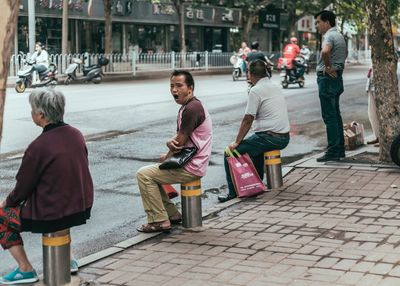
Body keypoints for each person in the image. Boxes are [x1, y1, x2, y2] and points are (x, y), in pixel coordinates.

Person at [0, 89, 94, 284]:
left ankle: (25, 269)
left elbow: (22, 187)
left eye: (32, 110)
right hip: (80, 206)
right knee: (60, 198)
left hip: (53, 212)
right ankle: (68, 260)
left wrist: (6, 203)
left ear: (41, 114)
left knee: (1, 216)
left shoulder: (38, 146)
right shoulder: (76, 134)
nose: (31, 113)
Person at [136, 70, 212, 233]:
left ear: (190, 88)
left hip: (191, 167)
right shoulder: (191, 106)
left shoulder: (192, 109)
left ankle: (159, 221)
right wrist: (167, 153)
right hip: (194, 162)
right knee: (154, 172)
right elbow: (183, 136)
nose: (174, 90)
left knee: (144, 174)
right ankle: (173, 215)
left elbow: (179, 142)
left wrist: (168, 149)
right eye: (172, 86)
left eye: (179, 86)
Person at [218, 60, 290, 203]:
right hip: (284, 137)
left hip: (270, 137)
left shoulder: (256, 90)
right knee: (255, 147)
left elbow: (248, 119)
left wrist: (236, 142)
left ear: (250, 73)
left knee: (230, 153)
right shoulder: (274, 86)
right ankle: (256, 184)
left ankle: (232, 192)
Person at [314, 10, 347, 162]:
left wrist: (327, 67)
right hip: (336, 78)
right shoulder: (339, 36)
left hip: (327, 79)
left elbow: (325, 52)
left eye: (318, 22)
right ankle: (339, 149)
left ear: (327, 22)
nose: (317, 26)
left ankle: (333, 151)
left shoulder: (329, 35)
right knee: (335, 115)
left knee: (329, 116)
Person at [366, 67, 379, 145]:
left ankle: (383, 139)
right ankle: (378, 137)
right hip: (371, 87)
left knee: (380, 115)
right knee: (372, 114)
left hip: (378, 87)